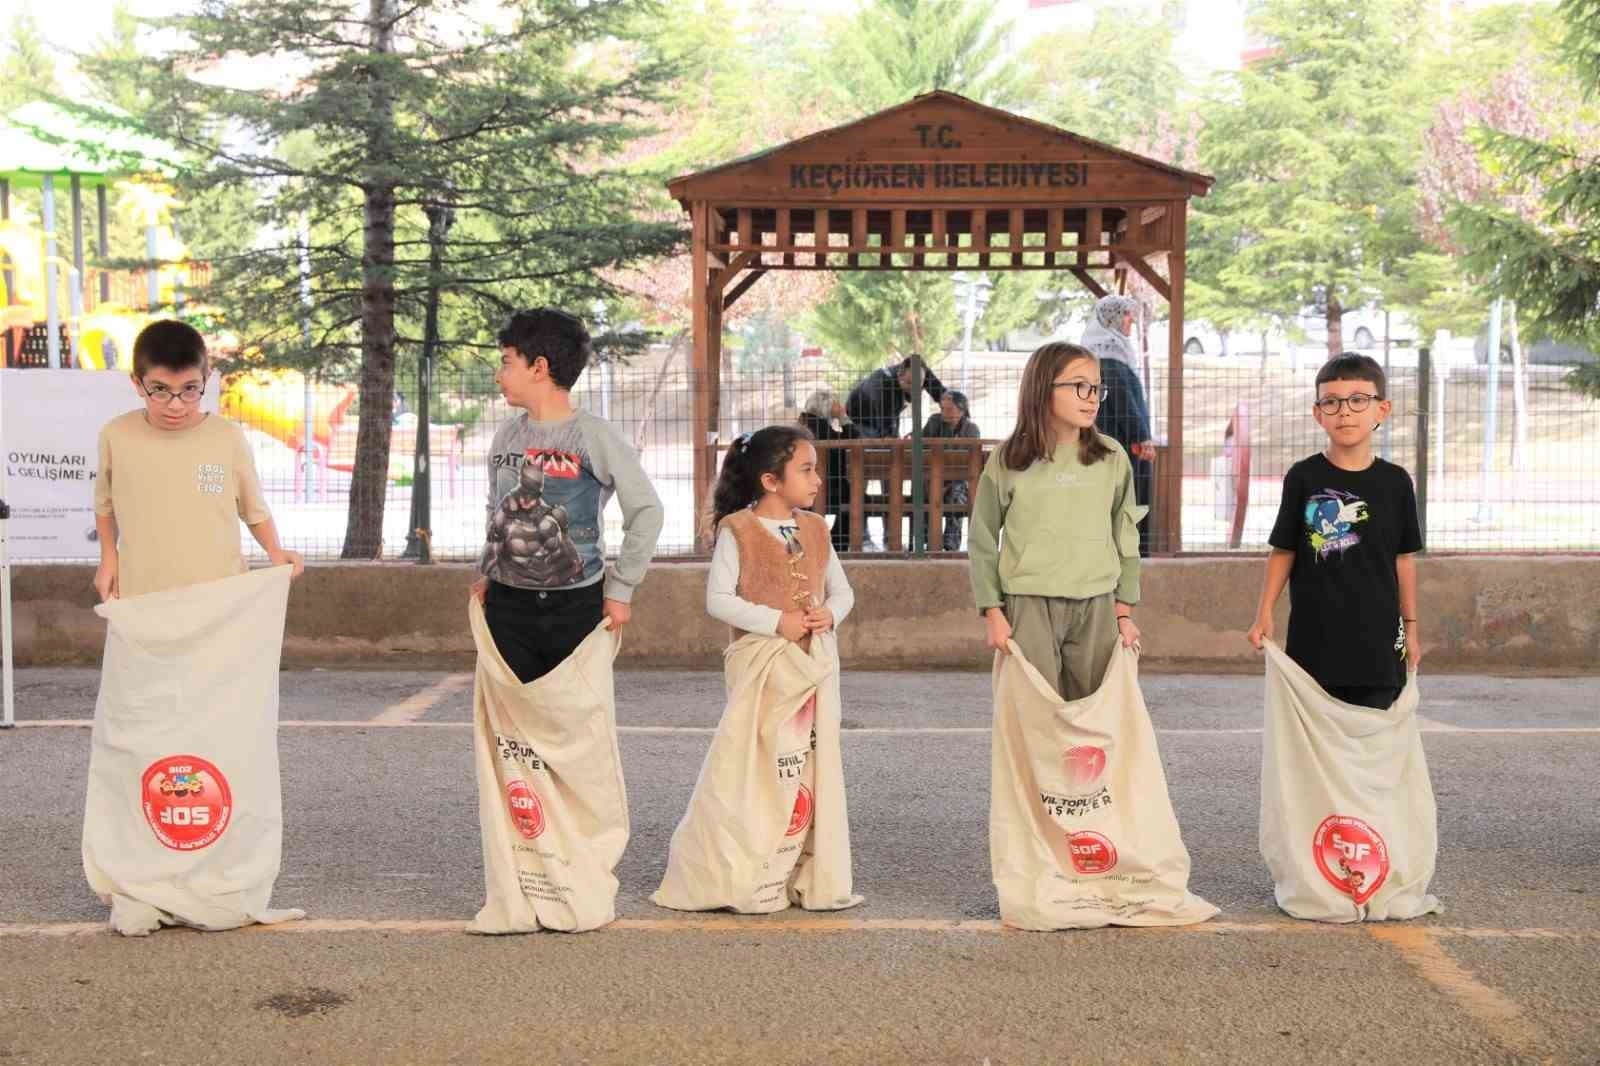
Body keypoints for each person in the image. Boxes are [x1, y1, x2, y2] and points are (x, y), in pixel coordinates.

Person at [651, 425, 859, 914]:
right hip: (763, 666)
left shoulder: (816, 528)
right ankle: (745, 870)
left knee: (808, 766)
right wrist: (776, 622)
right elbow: (719, 600)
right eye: (805, 470)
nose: (817, 480)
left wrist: (830, 614)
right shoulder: (738, 530)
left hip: (813, 664)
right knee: (757, 767)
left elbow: (842, 590)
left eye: (816, 470)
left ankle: (797, 870)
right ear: (770, 480)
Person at [471, 307, 664, 683]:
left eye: (506, 362)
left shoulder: (596, 435)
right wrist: (489, 573)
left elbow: (647, 510)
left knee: (573, 714)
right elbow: (495, 509)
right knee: (514, 716)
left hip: (576, 606)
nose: (498, 375)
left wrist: (621, 590)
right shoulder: (506, 436)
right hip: (507, 607)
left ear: (539, 368)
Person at [969, 342, 1144, 701]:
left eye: (1096, 388)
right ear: (1043, 387)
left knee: (1095, 717)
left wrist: (1123, 612)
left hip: (1097, 606)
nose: (1092, 398)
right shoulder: (1007, 459)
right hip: (1028, 605)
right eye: (1080, 386)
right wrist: (992, 611)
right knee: (1035, 714)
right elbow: (982, 538)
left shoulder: (1112, 458)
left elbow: (1126, 537)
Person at [1248, 353, 1423, 708]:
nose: (1344, 412)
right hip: (1314, 642)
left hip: (1379, 644)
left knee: (1374, 734)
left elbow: (1403, 561)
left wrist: (1411, 629)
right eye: (1331, 402)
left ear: (1382, 409)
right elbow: (1284, 551)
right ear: (1318, 413)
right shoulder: (1303, 477)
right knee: (1314, 737)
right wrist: (1263, 612)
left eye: (1358, 400)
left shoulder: (1396, 482)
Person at [93, 319, 304, 602]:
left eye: (190, 389)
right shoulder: (116, 435)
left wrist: (275, 550)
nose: (176, 404)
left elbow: (254, 509)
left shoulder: (228, 438)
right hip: (141, 595)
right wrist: (108, 557)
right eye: (160, 389)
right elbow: (105, 505)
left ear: (207, 378)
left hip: (220, 596)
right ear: (137, 383)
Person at [1081, 294, 1156, 556]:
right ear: (1110, 319)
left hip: (1114, 443)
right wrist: (1142, 436)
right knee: (1126, 503)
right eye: (1124, 314)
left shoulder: (1105, 354)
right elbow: (1124, 401)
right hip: (1121, 444)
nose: (1130, 319)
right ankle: (1127, 559)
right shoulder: (1108, 357)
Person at [798, 388, 861, 553]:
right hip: (832, 490)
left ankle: (824, 542)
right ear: (827, 407)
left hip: (799, 489)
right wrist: (843, 417)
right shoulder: (826, 431)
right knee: (858, 496)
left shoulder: (799, 429)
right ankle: (837, 544)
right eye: (835, 403)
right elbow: (857, 440)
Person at [917, 390, 981, 551]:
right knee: (924, 491)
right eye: (942, 409)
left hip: (958, 479)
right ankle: (927, 540)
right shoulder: (934, 422)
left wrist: (947, 484)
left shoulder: (971, 429)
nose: (944, 412)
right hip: (932, 476)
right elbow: (922, 448)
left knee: (956, 495)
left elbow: (970, 463)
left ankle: (951, 544)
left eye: (949, 409)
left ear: (962, 409)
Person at [845, 355, 946, 439]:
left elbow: (944, 395)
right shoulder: (884, 388)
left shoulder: (919, 371)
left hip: (888, 406)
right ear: (899, 375)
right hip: (860, 415)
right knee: (877, 443)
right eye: (909, 383)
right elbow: (888, 433)